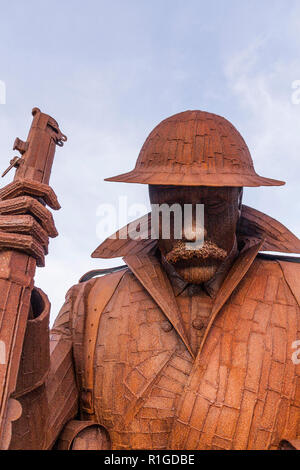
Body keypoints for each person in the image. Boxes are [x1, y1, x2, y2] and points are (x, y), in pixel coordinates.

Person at [2, 110, 300, 450]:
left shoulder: (295, 289)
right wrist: (9, 279)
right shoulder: (90, 304)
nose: (192, 231)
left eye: (213, 207)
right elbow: (23, 430)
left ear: (239, 201)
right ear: (152, 204)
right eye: (174, 208)